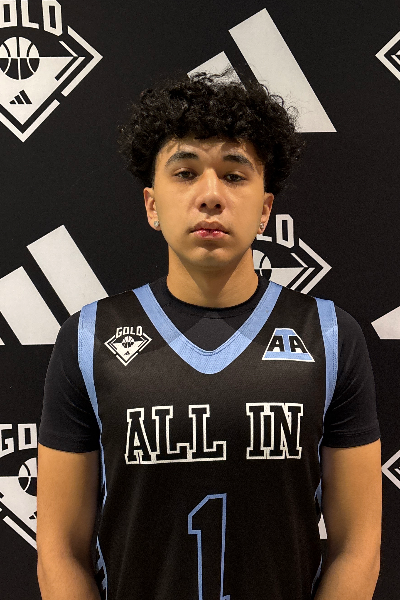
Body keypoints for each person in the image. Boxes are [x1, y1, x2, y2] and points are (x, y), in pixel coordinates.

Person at [36, 72, 382, 600]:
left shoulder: (330, 336)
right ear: (152, 205)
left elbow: (357, 547)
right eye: (186, 172)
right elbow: (59, 550)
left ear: (265, 209)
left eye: (235, 175)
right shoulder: (88, 340)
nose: (211, 195)